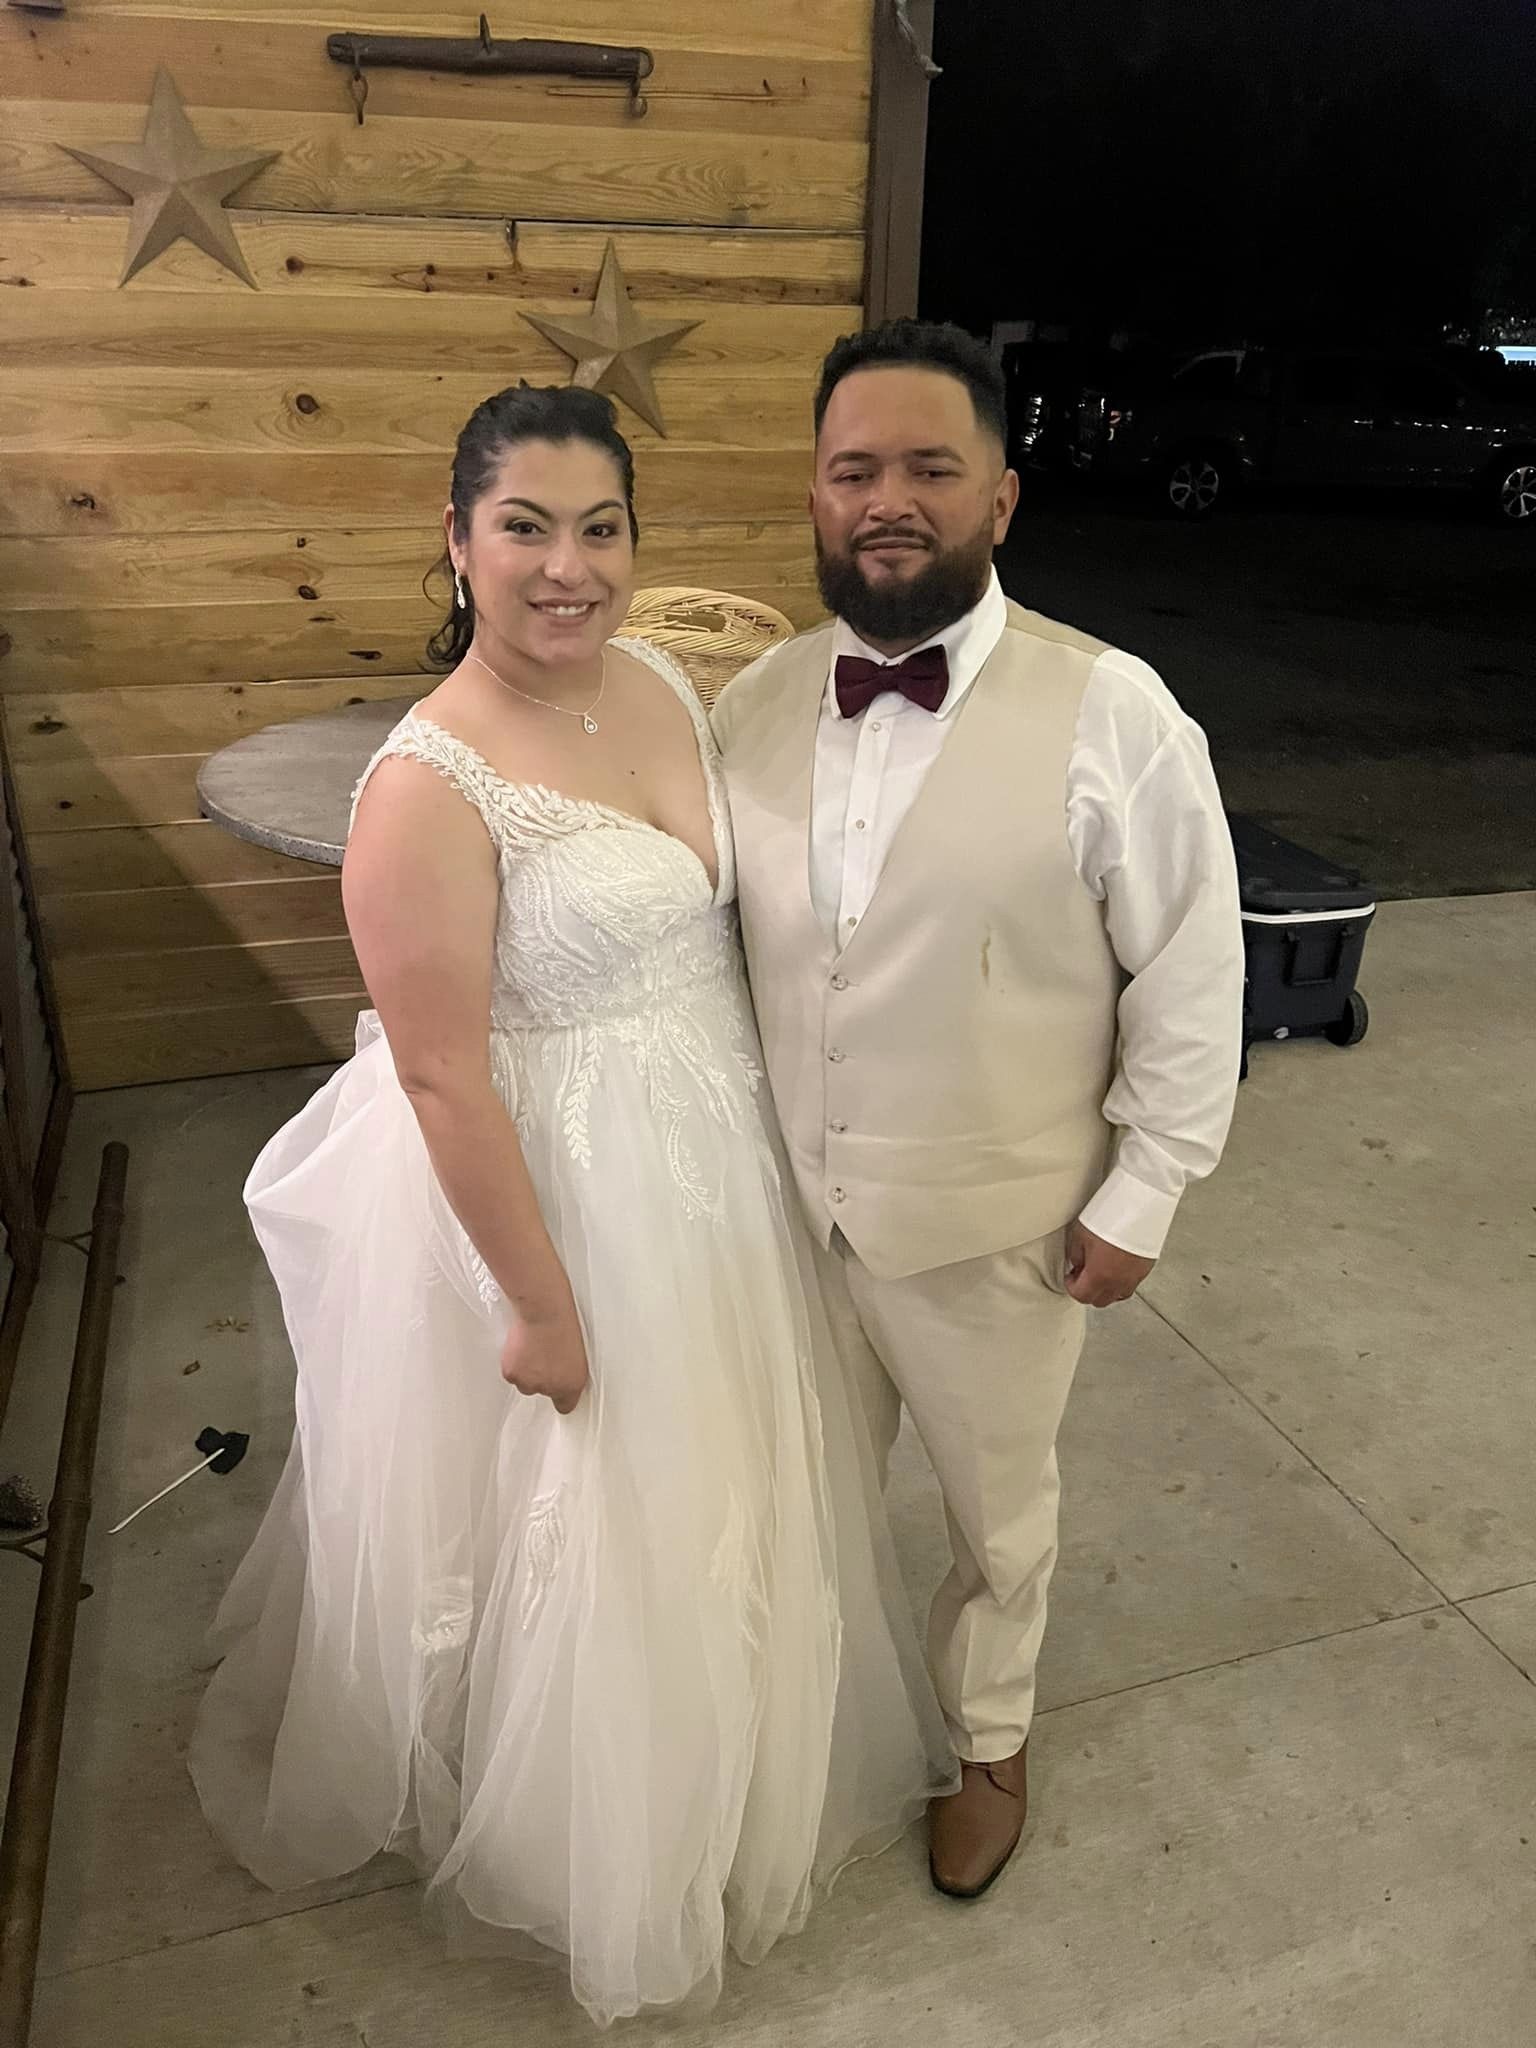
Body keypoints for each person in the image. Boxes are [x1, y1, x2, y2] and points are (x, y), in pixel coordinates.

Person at [189, 384, 954, 2026]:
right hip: (563, 1187)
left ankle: (735, 1757)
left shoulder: (661, 682)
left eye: (601, 529)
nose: (568, 567)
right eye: (525, 527)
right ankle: (599, 1836)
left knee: (728, 1476)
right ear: (457, 543)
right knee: (591, 1511)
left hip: (713, 1151)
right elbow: (439, 1076)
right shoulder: (424, 786)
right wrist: (540, 1305)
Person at [711, 320, 1245, 1902]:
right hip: (785, 1211)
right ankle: (808, 1719)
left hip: (998, 1226)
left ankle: (988, 1739)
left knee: (997, 1519)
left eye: (930, 469)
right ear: (815, 495)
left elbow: (1192, 969)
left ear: (1000, 498)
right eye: (854, 469)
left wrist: (1147, 1190)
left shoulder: (1115, 710)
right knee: (791, 1493)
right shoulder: (751, 703)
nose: (889, 500)